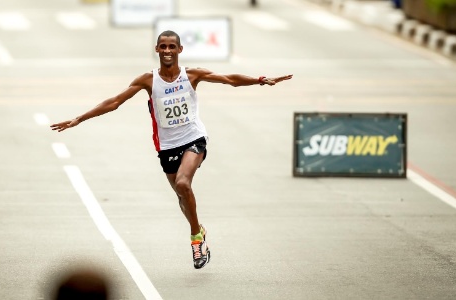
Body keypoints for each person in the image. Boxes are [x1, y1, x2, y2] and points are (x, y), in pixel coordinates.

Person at [51, 30, 292, 269]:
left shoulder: (192, 75)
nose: (167, 51)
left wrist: (260, 80)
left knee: (183, 184)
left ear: (179, 50)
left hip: (193, 138)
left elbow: (229, 79)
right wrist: (79, 118)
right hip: (166, 146)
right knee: (181, 196)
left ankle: (196, 240)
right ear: (157, 50)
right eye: (163, 47)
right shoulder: (147, 80)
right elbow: (114, 102)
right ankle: (198, 229)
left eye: (171, 47)